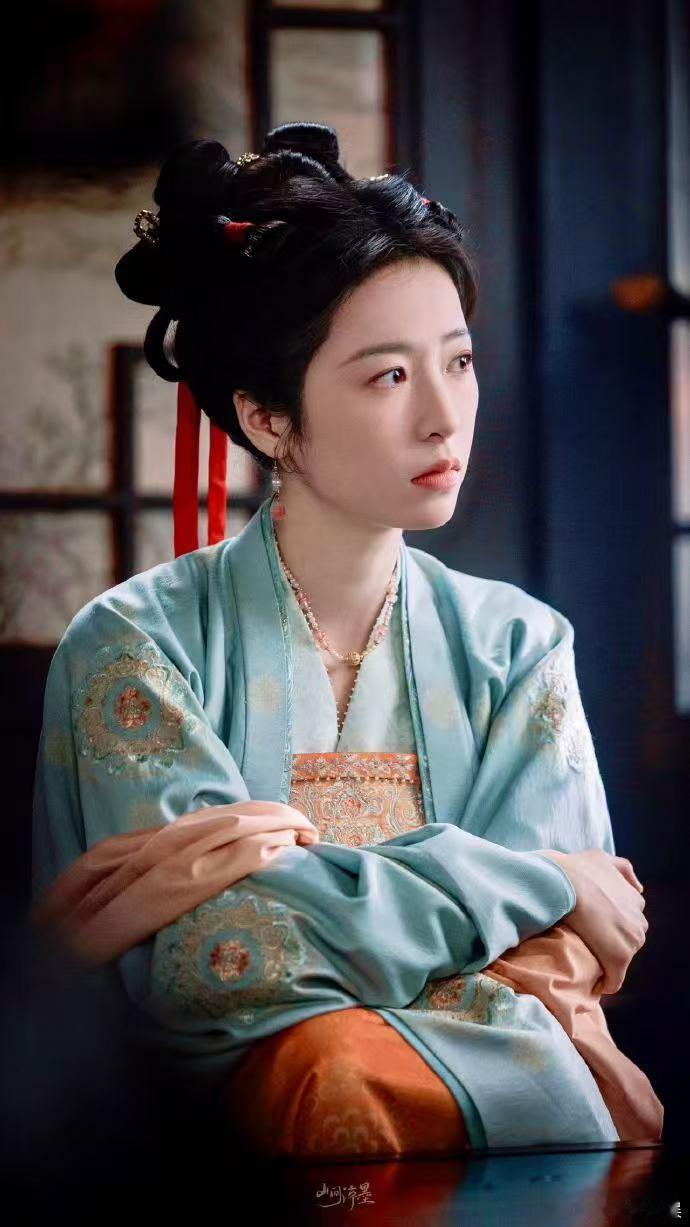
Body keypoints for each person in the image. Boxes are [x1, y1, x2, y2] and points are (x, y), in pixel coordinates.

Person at [29, 121, 661, 1160]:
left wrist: (319, 912)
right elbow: (210, 962)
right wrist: (538, 879)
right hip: (201, 1152)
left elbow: (560, 964)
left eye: (458, 362)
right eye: (387, 377)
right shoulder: (136, 647)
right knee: (330, 1072)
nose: (444, 417)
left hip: (510, 1109)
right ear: (267, 419)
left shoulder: (520, 646)